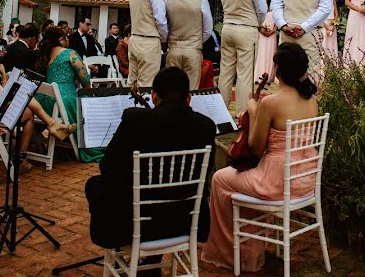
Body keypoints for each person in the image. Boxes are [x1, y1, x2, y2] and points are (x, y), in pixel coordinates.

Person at [85, 66, 216, 274]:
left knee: (95, 184)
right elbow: (207, 172)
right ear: (189, 98)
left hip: (136, 222)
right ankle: (151, 261)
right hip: (184, 220)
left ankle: (119, 245)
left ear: (154, 96)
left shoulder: (134, 119)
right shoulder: (206, 126)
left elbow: (107, 167)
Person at [202, 43, 320, 272]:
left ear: (278, 69)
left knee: (220, 179)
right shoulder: (311, 100)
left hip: (277, 182)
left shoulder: (271, 103)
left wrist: (254, 110)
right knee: (240, 183)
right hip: (305, 179)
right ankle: (251, 250)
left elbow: (256, 148)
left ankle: (233, 253)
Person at [0, 32, 75, 172]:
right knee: (28, 111)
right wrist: (4, 76)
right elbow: (0, 97)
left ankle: (51, 126)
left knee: (27, 101)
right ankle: (22, 158)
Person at [217, 0, 267, 112]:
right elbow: (261, 8)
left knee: (225, 73)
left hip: (228, 27)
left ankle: (221, 113)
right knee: (245, 74)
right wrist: (259, 23)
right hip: (246, 28)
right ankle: (242, 114)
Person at [33, 26, 97, 161]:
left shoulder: (46, 54)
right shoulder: (69, 53)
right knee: (85, 104)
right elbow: (85, 79)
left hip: (43, 102)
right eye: (66, 37)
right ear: (61, 39)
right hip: (63, 101)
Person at [165, 0, 214, 90]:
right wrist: (196, 41)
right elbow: (208, 29)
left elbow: (164, 25)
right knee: (191, 89)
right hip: (193, 50)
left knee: (172, 88)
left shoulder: (168, 0)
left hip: (173, 49)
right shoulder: (202, 1)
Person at [126, 0, 168, 87]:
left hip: (134, 39)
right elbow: (160, 18)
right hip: (149, 40)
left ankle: (131, 108)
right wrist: (164, 37)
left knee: (132, 83)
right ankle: (145, 108)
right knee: (147, 85)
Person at [254, 0, 278, 84]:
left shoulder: (273, 7)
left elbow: (277, 20)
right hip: (261, 34)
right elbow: (255, 20)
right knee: (261, 53)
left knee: (270, 54)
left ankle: (269, 76)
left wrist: (273, 31)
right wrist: (261, 30)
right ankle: (259, 75)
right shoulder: (257, 7)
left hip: (272, 35)